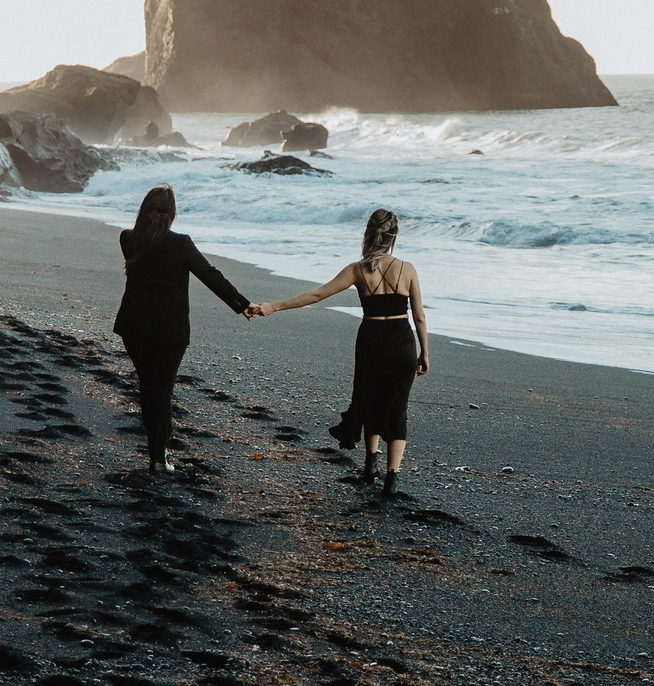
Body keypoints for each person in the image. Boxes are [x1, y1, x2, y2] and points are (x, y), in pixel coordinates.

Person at [251, 209, 427, 493]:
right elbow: (419, 316)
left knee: (369, 397)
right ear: (394, 236)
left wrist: (274, 306)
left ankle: (371, 462)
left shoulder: (357, 270)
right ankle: (392, 478)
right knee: (397, 407)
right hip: (402, 343)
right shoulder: (407, 269)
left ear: (368, 234)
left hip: (371, 340)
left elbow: (317, 294)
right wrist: (424, 352)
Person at [113, 185, 255, 472]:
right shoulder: (181, 244)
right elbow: (210, 275)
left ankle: (157, 454)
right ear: (172, 214)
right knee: (162, 390)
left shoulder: (128, 238)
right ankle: (158, 457)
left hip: (134, 327)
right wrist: (242, 304)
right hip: (169, 331)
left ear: (143, 209)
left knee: (149, 388)